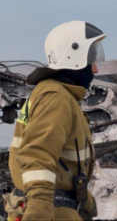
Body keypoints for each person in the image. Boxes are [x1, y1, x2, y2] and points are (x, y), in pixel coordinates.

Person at [5, 21, 106, 221]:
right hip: (51, 211)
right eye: (91, 60)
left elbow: (64, 162)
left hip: (58, 207)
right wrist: (39, 210)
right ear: (74, 57)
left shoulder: (58, 94)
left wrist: (84, 200)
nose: (95, 69)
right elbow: (38, 154)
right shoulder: (56, 97)